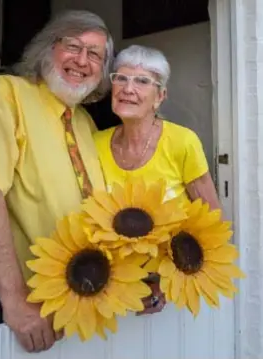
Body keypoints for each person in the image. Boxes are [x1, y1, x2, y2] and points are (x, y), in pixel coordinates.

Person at [0, 10, 114, 353]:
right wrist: (15, 301)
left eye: (95, 55)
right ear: (47, 49)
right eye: (72, 46)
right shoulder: (5, 93)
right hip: (20, 307)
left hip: (81, 300)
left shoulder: (85, 122)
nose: (82, 60)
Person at [94, 45, 222, 313]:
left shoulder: (181, 142)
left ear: (160, 96)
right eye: (121, 78)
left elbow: (212, 221)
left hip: (171, 293)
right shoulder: (95, 143)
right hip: (111, 288)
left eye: (142, 81)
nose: (128, 88)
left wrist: (165, 286)